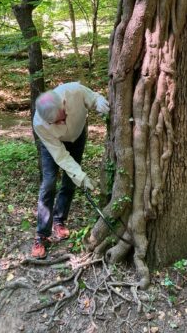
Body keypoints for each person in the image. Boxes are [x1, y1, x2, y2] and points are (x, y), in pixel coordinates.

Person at [31, 81, 110, 258]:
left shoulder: (74, 90)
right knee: (49, 183)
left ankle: (59, 220)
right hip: (54, 145)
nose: (62, 121)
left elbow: (93, 98)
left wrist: (99, 102)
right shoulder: (40, 124)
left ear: (63, 103)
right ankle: (41, 234)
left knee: (69, 182)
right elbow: (60, 156)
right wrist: (81, 175)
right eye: (56, 122)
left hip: (77, 136)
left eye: (62, 116)